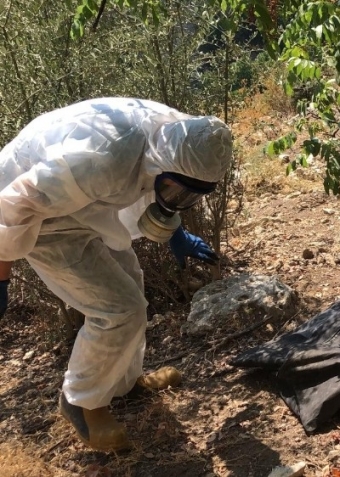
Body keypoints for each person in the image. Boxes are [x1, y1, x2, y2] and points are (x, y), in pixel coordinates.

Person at [0, 97, 232, 451]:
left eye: (190, 196)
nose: (178, 199)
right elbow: (14, 205)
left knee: (132, 286)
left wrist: (177, 230)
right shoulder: (100, 160)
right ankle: (80, 402)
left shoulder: (187, 135)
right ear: (161, 163)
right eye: (174, 190)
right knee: (118, 310)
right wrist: (1, 274)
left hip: (85, 203)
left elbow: (163, 179)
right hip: (39, 217)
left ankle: (122, 384)